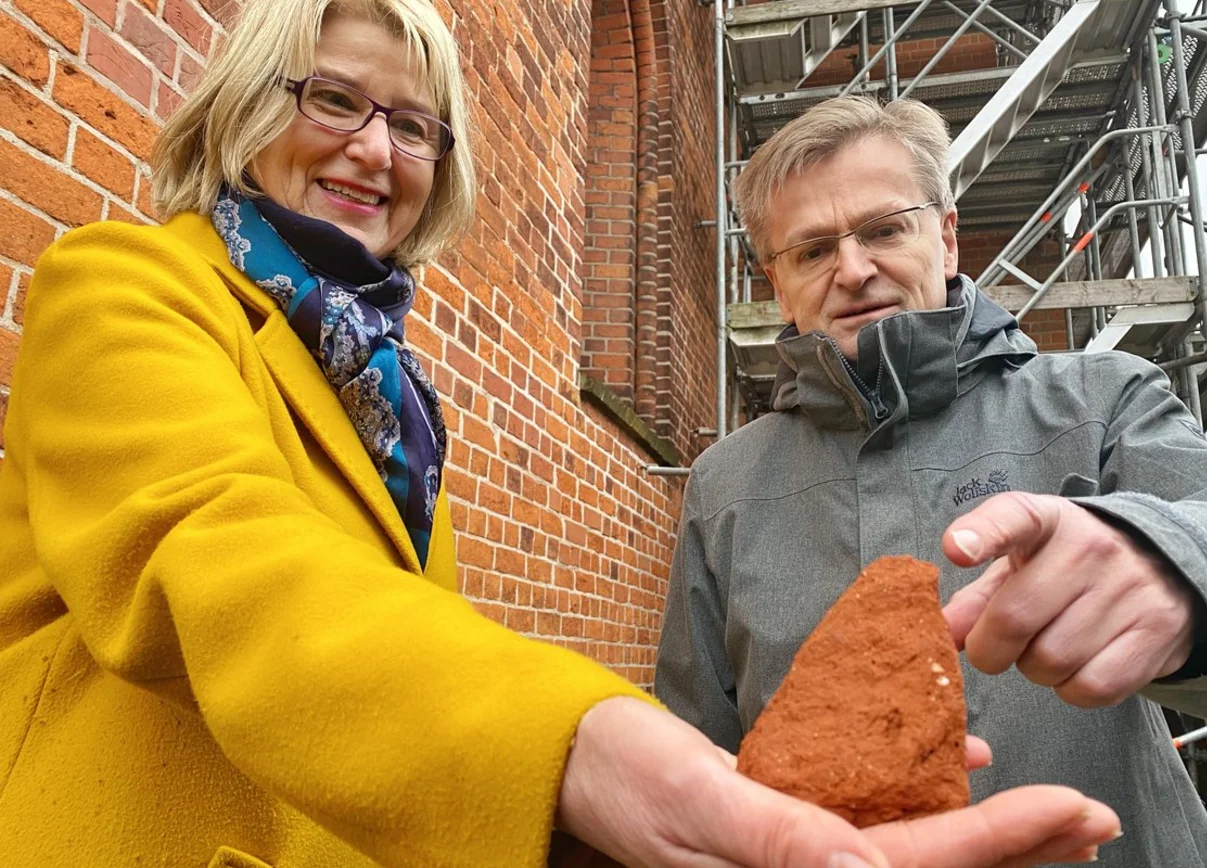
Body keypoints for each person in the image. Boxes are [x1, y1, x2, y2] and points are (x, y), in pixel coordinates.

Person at [0, 4, 1123, 868]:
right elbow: (221, 564)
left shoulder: (388, 399)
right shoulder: (126, 290)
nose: (376, 151)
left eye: (414, 126)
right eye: (333, 100)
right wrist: (577, 750)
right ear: (246, 104)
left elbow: (389, 703)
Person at [655, 94, 1207, 868]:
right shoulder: (724, 485)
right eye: (813, 250)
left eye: (884, 230)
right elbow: (693, 755)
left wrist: (1181, 573)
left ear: (947, 235)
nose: (853, 270)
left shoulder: (1098, 405)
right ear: (776, 281)